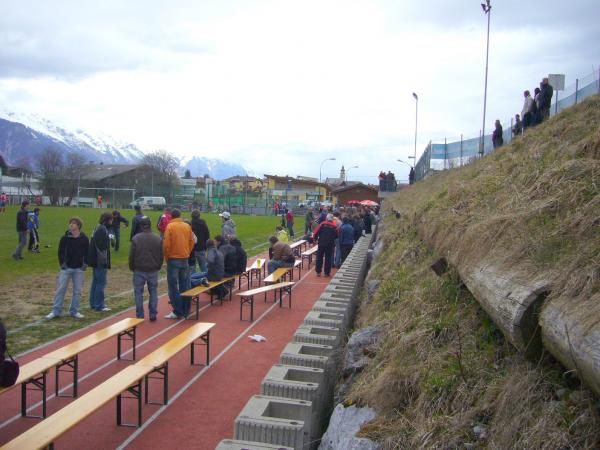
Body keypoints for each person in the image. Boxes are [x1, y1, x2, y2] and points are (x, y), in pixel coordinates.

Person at [46, 217, 89, 319]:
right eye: (70, 223)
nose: (71, 225)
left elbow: (87, 252)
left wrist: (85, 264)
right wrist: (62, 263)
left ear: (78, 226)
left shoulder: (84, 239)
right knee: (61, 289)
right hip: (66, 268)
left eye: (73, 223)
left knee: (77, 291)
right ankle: (56, 311)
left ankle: (74, 311)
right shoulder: (64, 238)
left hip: (79, 269)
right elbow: (60, 252)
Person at [129, 216, 163, 321]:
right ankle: (153, 313)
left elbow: (132, 256)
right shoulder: (158, 238)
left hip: (139, 269)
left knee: (138, 292)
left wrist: (132, 267)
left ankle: (140, 314)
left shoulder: (136, 238)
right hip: (153, 269)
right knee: (153, 291)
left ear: (141, 226)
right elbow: (161, 255)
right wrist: (158, 265)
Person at [163, 209, 194, 319]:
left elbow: (166, 245)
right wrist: (187, 252)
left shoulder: (170, 227)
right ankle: (186, 309)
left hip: (174, 259)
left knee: (173, 286)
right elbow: (192, 241)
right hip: (184, 258)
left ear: (171, 216)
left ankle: (177, 311)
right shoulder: (187, 226)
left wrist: (167, 257)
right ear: (180, 215)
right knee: (185, 284)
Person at [88, 212, 113, 312]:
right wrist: (104, 261)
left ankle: (93, 303)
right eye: (110, 220)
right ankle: (99, 305)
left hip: (95, 259)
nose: (111, 222)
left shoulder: (98, 227)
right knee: (101, 283)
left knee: (95, 281)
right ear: (107, 220)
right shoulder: (102, 229)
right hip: (99, 260)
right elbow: (101, 248)